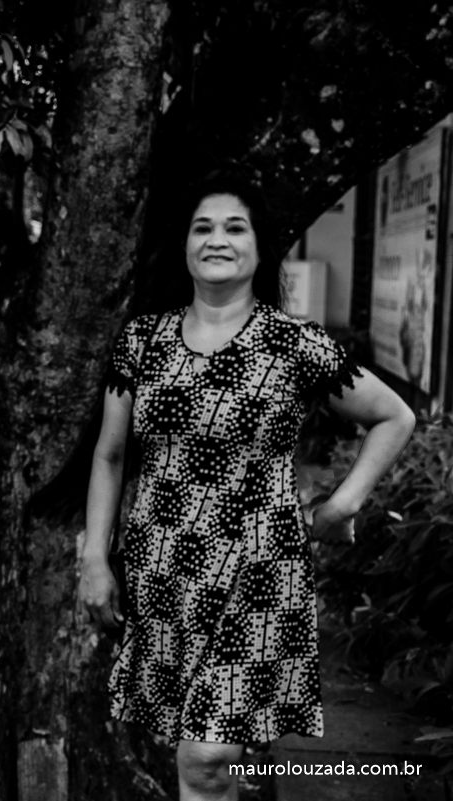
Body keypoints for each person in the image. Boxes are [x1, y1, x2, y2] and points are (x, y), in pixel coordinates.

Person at [77, 171, 415, 801]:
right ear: (184, 244)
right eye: (202, 227)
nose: (217, 240)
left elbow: (394, 416)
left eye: (236, 227)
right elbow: (110, 455)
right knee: (203, 762)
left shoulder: (294, 344)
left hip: (257, 575)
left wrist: (344, 502)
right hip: (164, 572)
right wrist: (96, 555)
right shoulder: (141, 341)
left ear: (261, 247)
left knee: (207, 757)